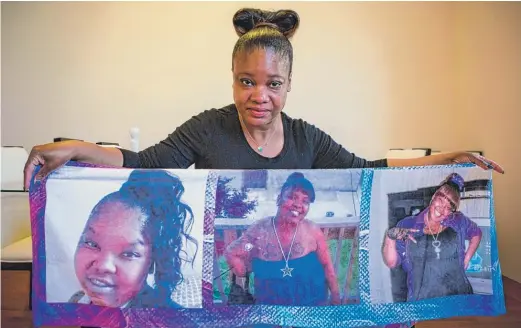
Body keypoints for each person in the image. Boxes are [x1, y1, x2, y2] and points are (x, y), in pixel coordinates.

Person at [22, 6, 502, 328]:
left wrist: (446, 158)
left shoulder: (306, 137)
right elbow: (143, 164)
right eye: (247, 81)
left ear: (289, 85)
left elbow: (369, 168)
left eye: (273, 83)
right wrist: (77, 148)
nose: (259, 95)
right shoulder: (208, 128)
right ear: (233, 81)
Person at [69, 169, 198, 309]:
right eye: (91, 243)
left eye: (129, 254)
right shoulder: (78, 301)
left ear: (152, 261)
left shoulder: (172, 319)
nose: (103, 266)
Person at [224, 172, 341, 306]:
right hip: (272, 306)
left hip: (311, 302)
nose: (298, 204)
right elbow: (233, 252)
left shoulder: (313, 231)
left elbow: (327, 266)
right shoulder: (260, 231)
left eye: (305, 201)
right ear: (279, 199)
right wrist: (241, 270)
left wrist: (336, 297)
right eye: (292, 197)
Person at [382, 173, 482, 302]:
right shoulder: (407, 225)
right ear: (433, 197)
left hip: (459, 298)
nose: (441, 209)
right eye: (440, 200)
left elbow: (477, 233)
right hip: (422, 303)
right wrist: (390, 236)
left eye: (448, 207)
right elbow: (391, 262)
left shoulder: (458, 220)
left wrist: (467, 258)